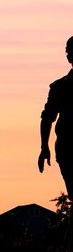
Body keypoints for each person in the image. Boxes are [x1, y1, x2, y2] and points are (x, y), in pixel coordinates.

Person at [38, 36, 73, 197]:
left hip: (67, 148)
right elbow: (47, 119)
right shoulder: (59, 87)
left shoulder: (60, 87)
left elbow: (47, 119)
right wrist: (44, 147)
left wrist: (44, 147)